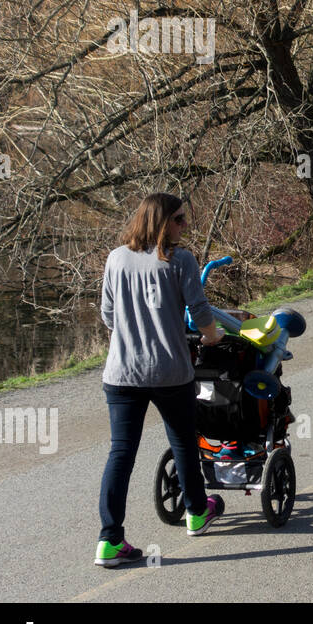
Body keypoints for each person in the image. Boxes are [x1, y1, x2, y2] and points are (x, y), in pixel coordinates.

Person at [96, 194, 226, 567]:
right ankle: (197, 512)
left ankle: (109, 540)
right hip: (169, 372)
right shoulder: (179, 259)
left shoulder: (116, 258)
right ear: (162, 222)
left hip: (121, 374)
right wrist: (212, 336)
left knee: (120, 454)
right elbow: (199, 310)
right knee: (184, 441)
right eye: (180, 219)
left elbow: (108, 315)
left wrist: (133, 331)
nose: (184, 226)